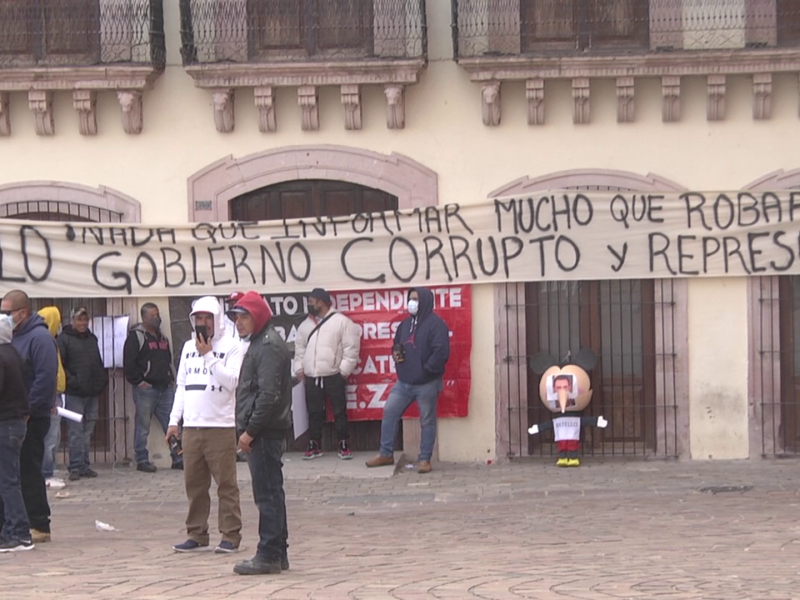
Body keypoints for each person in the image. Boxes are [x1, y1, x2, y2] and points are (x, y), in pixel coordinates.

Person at [167, 296, 244, 554]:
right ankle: (196, 533)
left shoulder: (233, 346)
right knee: (194, 484)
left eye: (207, 318)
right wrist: (173, 421)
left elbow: (231, 381)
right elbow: (182, 386)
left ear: (217, 319)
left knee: (226, 484)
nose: (203, 323)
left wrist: (209, 356)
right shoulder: (189, 346)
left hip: (220, 426)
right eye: (198, 319)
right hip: (191, 426)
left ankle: (230, 534)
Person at [228, 291, 292, 576]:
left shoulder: (267, 346)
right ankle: (278, 552)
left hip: (264, 433)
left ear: (258, 317)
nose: (239, 323)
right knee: (271, 493)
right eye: (236, 318)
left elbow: (268, 395)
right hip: (263, 431)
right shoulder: (260, 342)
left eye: (244, 317)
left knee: (266, 495)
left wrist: (249, 431)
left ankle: (268, 553)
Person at [366, 287, 450, 475]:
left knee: (427, 420)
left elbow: (441, 352)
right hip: (404, 382)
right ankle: (386, 453)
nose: (411, 303)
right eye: (410, 299)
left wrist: (426, 370)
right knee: (389, 411)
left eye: (416, 299)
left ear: (426, 301)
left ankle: (425, 458)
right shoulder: (405, 324)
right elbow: (397, 344)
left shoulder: (436, 325)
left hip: (427, 383)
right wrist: (396, 354)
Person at [0, 290, 57, 543]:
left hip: (31, 415)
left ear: (22, 312)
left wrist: (27, 411)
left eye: (7, 312)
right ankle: (14, 521)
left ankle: (38, 522)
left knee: (29, 468)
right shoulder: (12, 338)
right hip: (16, 413)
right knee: (15, 470)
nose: (3, 317)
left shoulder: (39, 337)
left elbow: (44, 379)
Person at [294, 288, 360, 460]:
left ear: (321, 302)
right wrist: (300, 368)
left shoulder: (342, 322)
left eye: (311, 302)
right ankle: (314, 443)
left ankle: (343, 443)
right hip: (312, 375)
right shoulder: (305, 325)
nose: (309, 305)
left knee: (339, 411)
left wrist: (343, 371)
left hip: (334, 374)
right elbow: (299, 349)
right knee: (314, 411)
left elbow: (351, 348)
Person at [123, 302, 182, 473]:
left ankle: (178, 457)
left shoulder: (163, 338)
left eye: (157, 314)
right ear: (144, 317)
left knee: (172, 424)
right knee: (143, 426)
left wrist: (171, 379)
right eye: (153, 316)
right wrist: (139, 382)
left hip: (165, 388)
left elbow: (168, 361)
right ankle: (142, 459)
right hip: (146, 390)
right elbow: (129, 363)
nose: (157, 318)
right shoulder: (136, 337)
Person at [57, 307, 107, 481]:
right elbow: (61, 364)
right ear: (72, 321)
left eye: (85, 320)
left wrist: (101, 380)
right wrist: (73, 381)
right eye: (79, 320)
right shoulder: (64, 340)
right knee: (76, 431)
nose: (83, 323)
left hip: (93, 391)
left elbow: (98, 361)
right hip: (75, 393)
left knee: (88, 431)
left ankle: (85, 465)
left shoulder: (92, 338)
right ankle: (75, 467)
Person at [0, 315, 35, 552]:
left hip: (6, 423)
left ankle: (20, 533)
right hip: (14, 421)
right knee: (9, 479)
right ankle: (11, 531)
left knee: (8, 481)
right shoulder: (14, 354)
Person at [38, 307, 67, 491]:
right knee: (49, 438)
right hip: (51, 395)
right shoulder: (45, 341)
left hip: (56, 393)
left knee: (54, 437)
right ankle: (46, 473)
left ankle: (49, 471)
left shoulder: (50, 340)